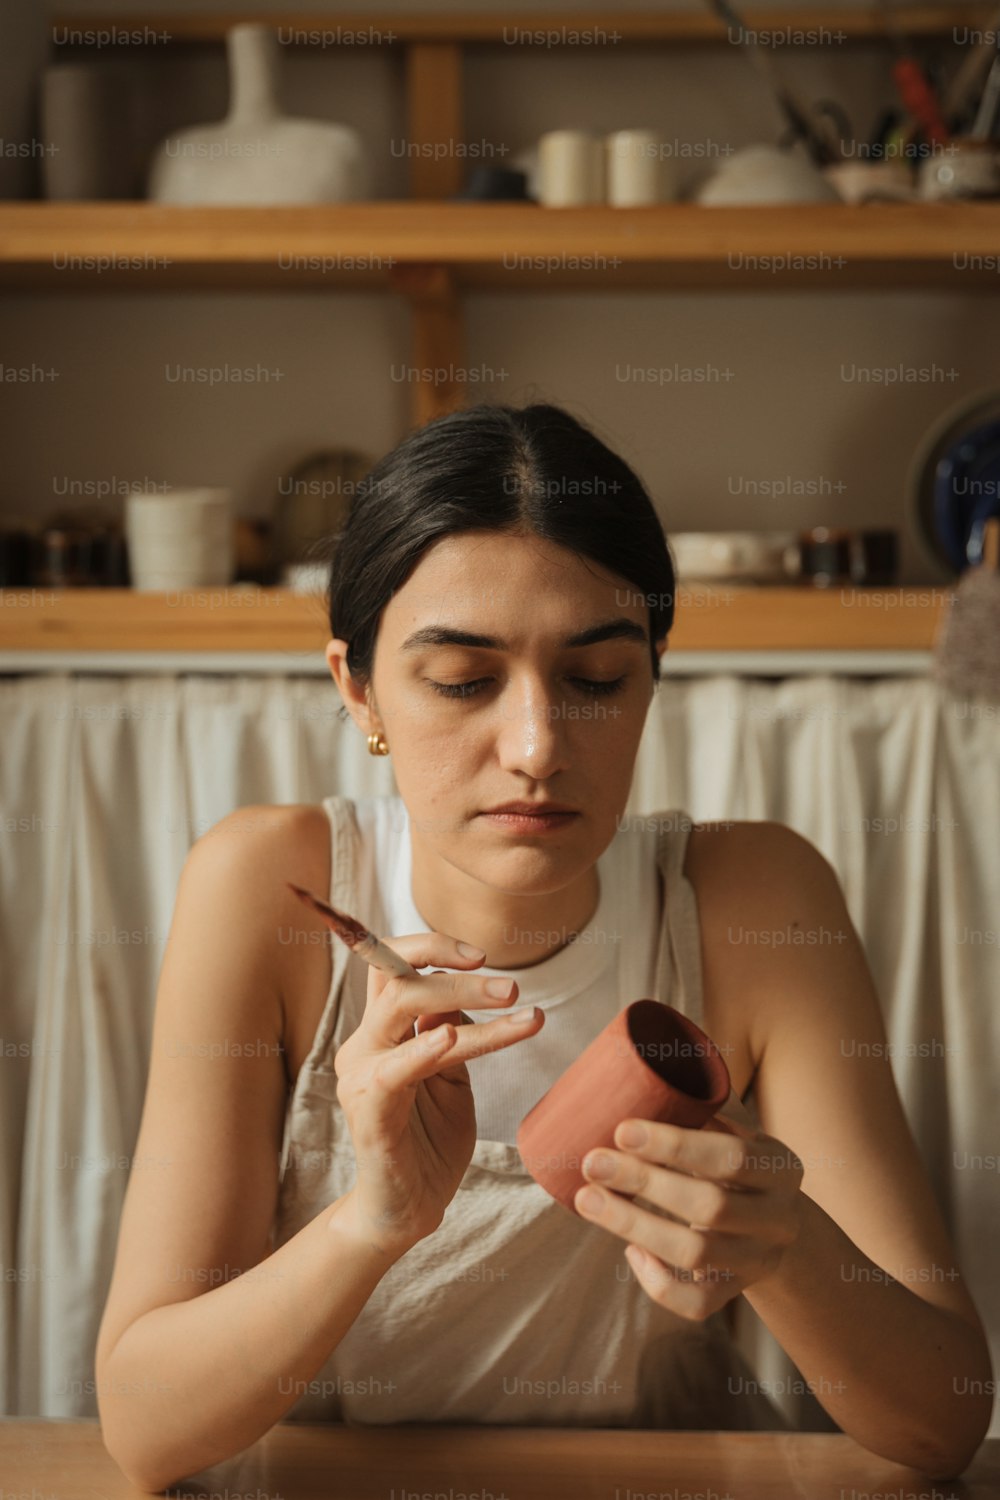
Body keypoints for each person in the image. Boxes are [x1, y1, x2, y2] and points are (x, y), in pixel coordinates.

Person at [95, 402, 993, 1492]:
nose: (535, 748)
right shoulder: (267, 890)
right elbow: (144, 1429)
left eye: (597, 681)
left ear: (652, 681)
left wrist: (787, 1244)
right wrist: (372, 1223)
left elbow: (940, 1424)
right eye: (464, 682)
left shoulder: (752, 897)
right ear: (358, 688)